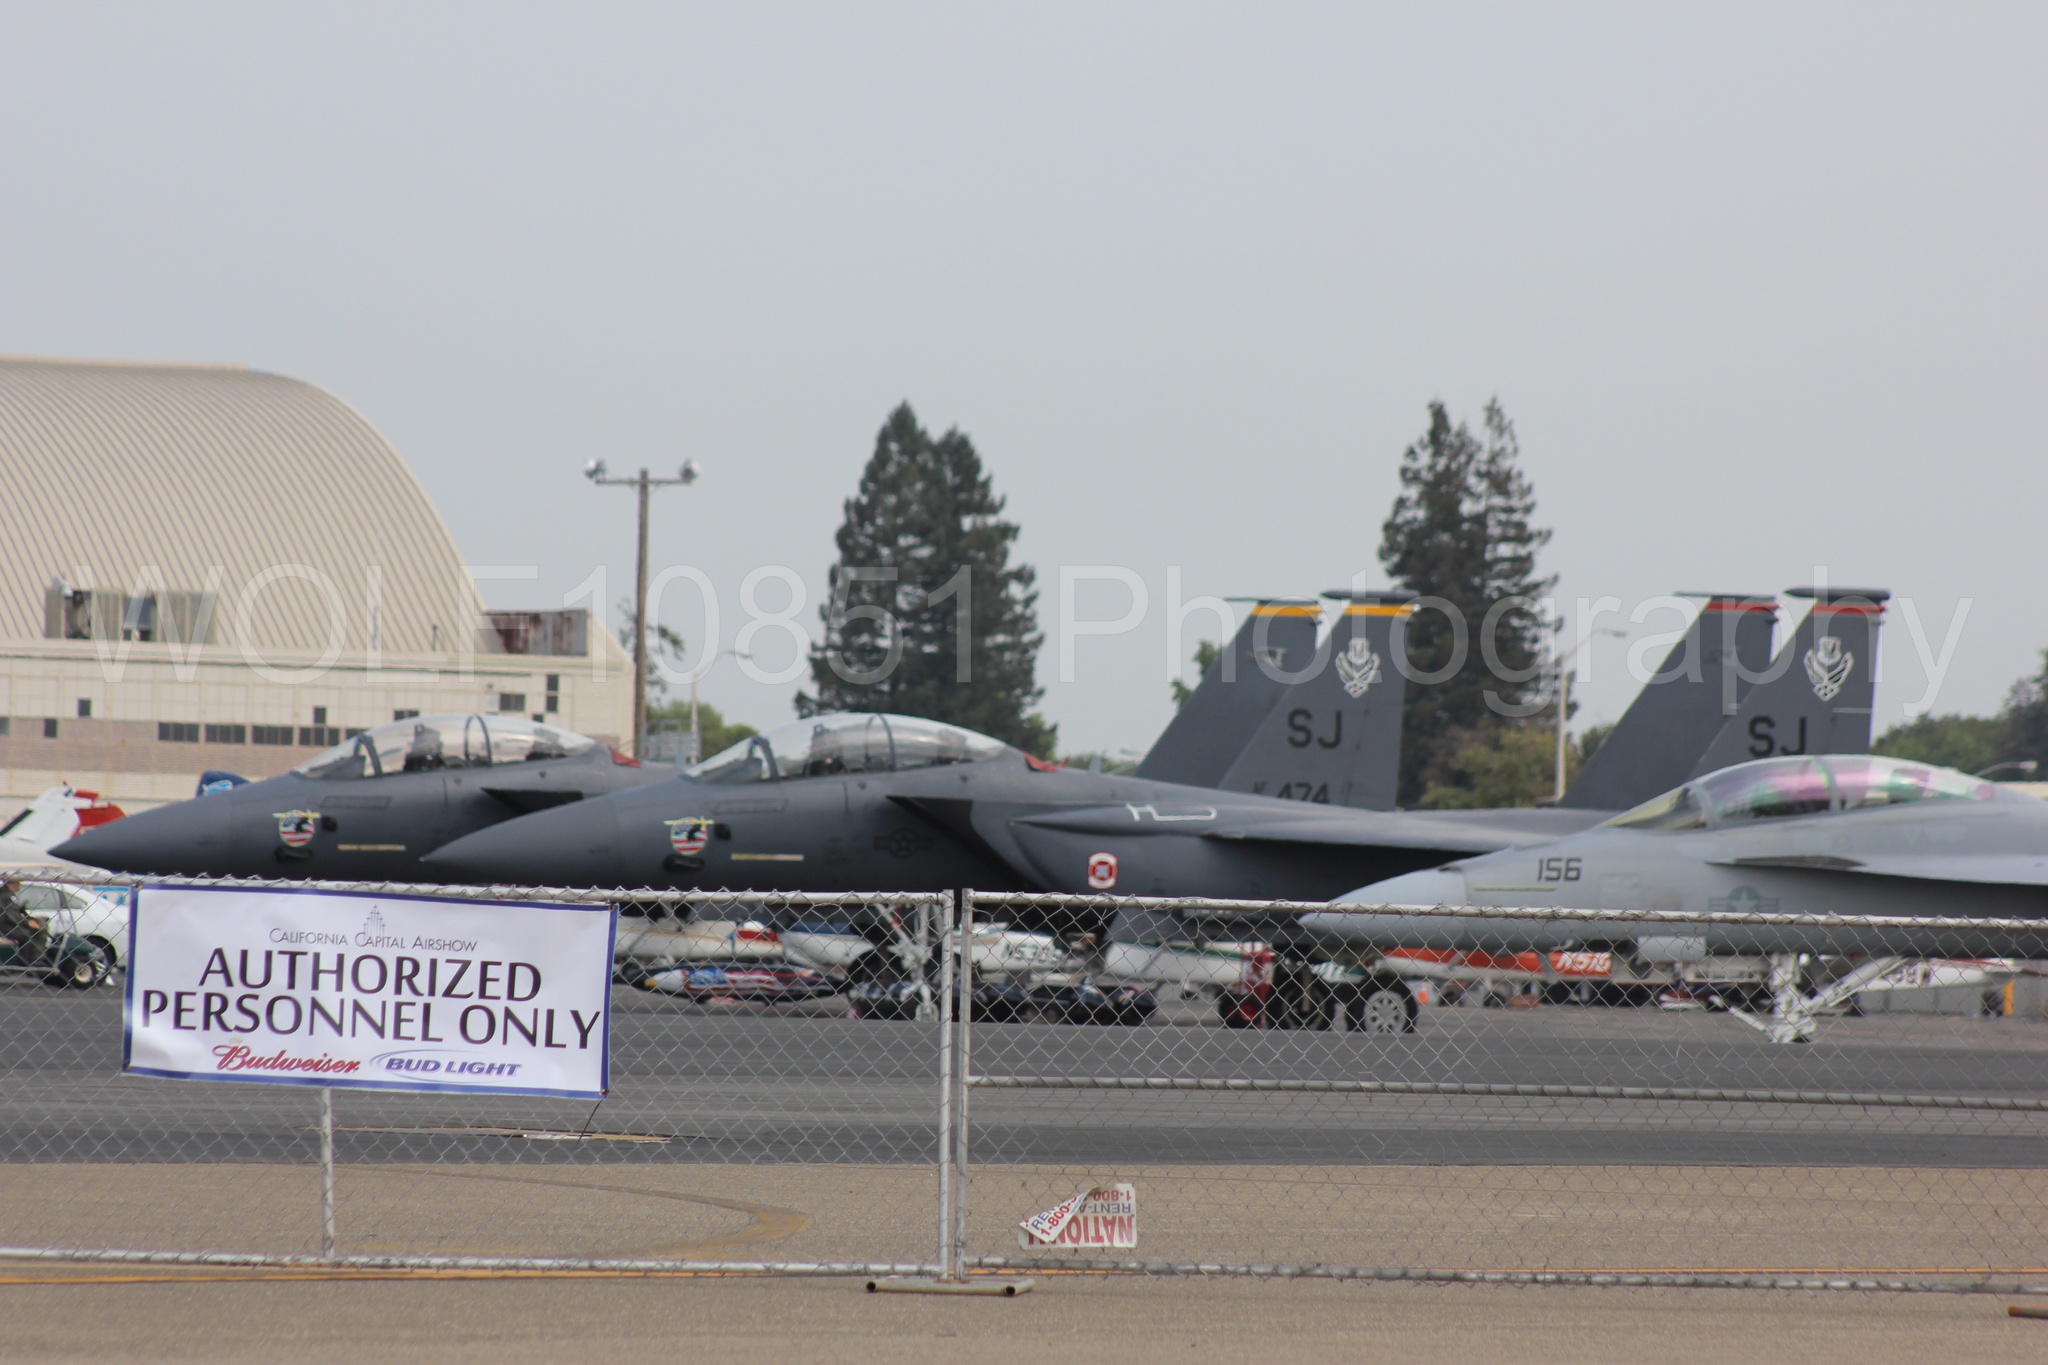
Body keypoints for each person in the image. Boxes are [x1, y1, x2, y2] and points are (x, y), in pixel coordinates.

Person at [0, 877, 52, 964]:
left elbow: (15, 913)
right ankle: (34, 959)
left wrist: (30, 918)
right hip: (6, 926)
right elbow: (10, 916)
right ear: (13, 883)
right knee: (35, 932)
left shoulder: (8, 894)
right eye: (18, 883)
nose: (19, 887)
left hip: (10, 924)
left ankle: (30, 958)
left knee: (39, 926)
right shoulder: (5, 896)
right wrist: (27, 922)